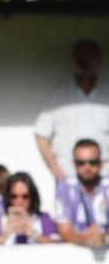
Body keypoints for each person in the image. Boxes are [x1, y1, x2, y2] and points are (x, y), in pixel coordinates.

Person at [35, 40, 109, 182]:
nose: (85, 60)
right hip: (69, 178)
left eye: (90, 56)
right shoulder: (59, 96)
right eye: (81, 56)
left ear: (98, 60)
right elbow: (41, 134)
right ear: (74, 59)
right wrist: (56, 170)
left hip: (105, 179)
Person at [52, 139, 109, 248]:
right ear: (74, 164)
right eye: (81, 163)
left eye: (93, 162)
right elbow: (65, 231)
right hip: (76, 257)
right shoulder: (65, 188)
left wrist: (102, 237)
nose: (87, 168)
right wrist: (86, 238)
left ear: (101, 164)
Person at [0, 172, 58, 245]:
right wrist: (5, 235)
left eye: (25, 196)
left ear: (32, 196)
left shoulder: (43, 218)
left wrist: (33, 233)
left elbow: (58, 245)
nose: (19, 201)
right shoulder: (0, 219)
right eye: (14, 196)